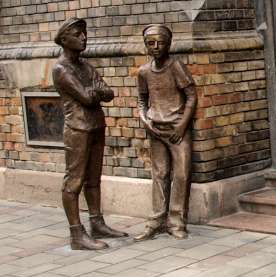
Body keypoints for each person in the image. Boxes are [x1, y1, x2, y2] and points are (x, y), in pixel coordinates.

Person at [52, 17, 128, 250]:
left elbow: (109, 92)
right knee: (74, 181)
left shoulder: (86, 66)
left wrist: (96, 91)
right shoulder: (61, 69)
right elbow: (87, 96)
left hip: (96, 125)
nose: (84, 38)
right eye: (78, 34)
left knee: (94, 179)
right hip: (77, 129)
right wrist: (97, 91)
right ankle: (77, 234)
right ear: (64, 40)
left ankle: (97, 223)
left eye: (84, 33)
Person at [133, 24, 198, 241]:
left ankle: (177, 222)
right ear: (146, 46)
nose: (156, 46)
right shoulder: (144, 72)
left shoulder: (176, 66)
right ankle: (156, 221)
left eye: (161, 42)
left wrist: (182, 125)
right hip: (156, 129)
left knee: (181, 174)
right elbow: (142, 100)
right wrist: (145, 120)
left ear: (169, 43)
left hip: (177, 129)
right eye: (151, 43)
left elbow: (191, 96)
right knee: (159, 174)